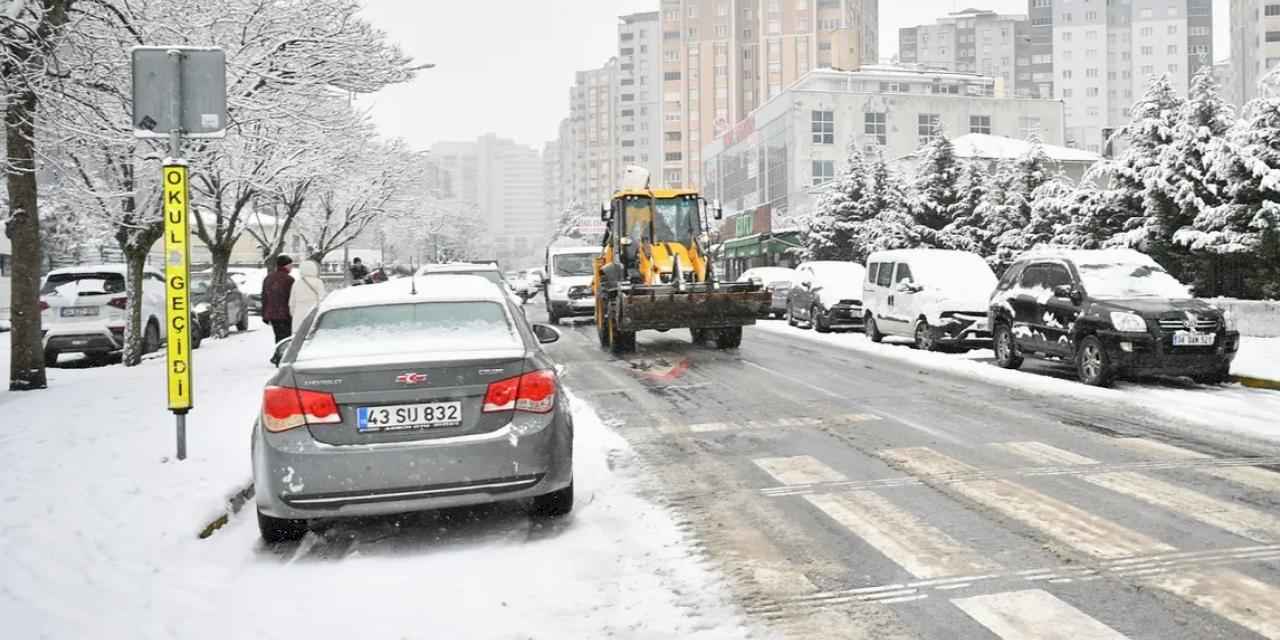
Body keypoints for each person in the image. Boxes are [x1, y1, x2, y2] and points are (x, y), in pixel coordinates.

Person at [261, 255, 295, 345]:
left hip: (273, 314)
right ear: (286, 266)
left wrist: (264, 314)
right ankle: (281, 356)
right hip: (285, 314)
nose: (292, 267)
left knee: (278, 336)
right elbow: (291, 298)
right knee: (286, 338)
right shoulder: (289, 280)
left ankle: (278, 354)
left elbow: (264, 297)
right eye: (291, 265)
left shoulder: (268, 278)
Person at [289, 259, 327, 333]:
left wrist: (294, 313)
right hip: (313, 313)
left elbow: (292, 303)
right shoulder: (318, 282)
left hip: (299, 314)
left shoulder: (297, 283)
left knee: (298, 336)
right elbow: (322, 298)